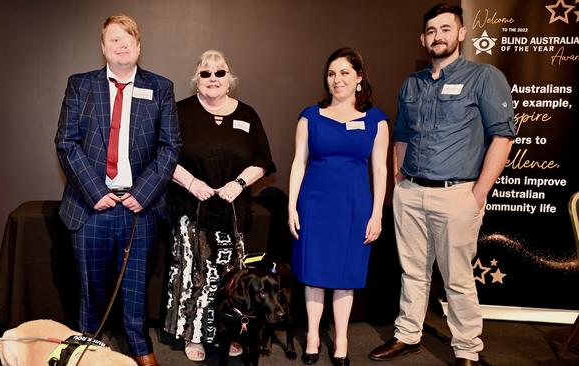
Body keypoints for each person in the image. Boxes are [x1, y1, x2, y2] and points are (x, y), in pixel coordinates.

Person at [368, 4, 515, 366]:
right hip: (411, 193)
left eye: (446, 29)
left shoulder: (485, 76)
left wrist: (478, 193)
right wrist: (399, 181)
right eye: (432, 31)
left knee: (458, 279)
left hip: (458, 195)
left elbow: (502, 137)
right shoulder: (412, 83)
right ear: (423, 39)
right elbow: (400, 136)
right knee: (413, 272)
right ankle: (408, 335)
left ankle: (467, 349)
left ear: (461, 33)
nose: (438, 36)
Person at [54, 14, 180, 366]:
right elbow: (66, 142)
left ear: (139, 46)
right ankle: (86, 348)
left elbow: (170, 147)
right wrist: (96, 192)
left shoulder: (160, 88)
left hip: (139, 206)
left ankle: (140, 346)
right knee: (90, 289)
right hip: (92, 205)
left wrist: (143, 193)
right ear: (103, 48)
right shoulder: (80, 85)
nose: (121, 44)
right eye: (114, 39)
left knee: (136, 287)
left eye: (128, 38)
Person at [163, 50, 276, 362]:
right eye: (205, 73)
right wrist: (191, 183)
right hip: (191, 209)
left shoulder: (248, 114)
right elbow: (164, 157)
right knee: (193, 275)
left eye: (219, 73)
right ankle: (193, 334)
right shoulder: (179, 112)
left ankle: (225, 334)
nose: (212, 78)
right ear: (196, 80)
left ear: (230, 79)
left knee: (229, 280)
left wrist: (238, 184)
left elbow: (264, 161)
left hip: (232, 212)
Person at [288, 47, 389, 366]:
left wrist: (377, 213)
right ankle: (313, 336)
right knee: (314, 273)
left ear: (359, 78)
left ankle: (342, 338)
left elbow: (381, 170)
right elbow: (298, 163)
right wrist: (292, 206)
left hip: (355, 208)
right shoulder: (310, 116)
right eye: (332, 73)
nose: (337, 79)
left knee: (346, 275)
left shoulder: (376, 120)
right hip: (314, 206)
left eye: (345, 72)